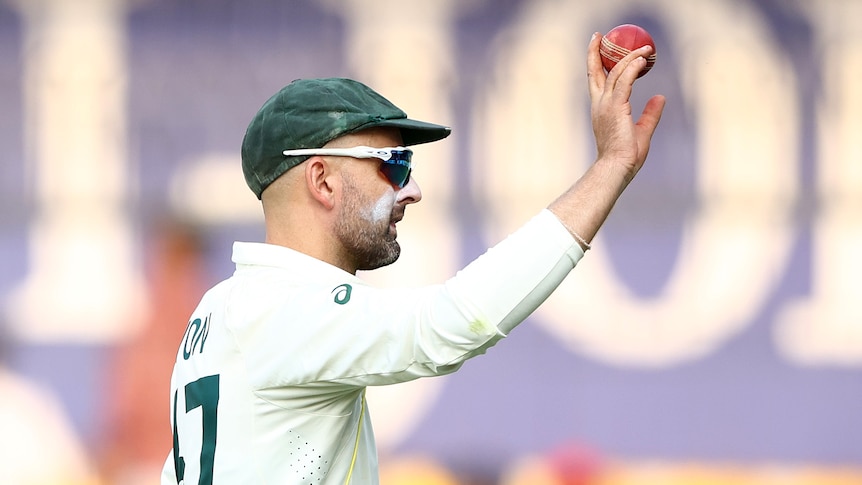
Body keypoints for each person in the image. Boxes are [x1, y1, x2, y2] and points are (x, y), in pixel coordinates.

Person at [161, 34, 665, 485]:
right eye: (395, 165)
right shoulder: (287, 309)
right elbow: (452, 323)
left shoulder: (220, 304)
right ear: (322, 180)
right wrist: (610, 167)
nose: (413, 190)